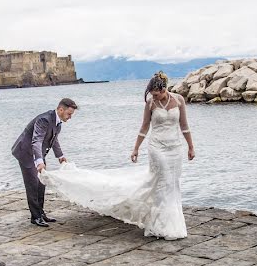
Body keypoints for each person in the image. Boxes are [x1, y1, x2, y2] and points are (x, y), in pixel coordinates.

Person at [39, 72, 194, 239]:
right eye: (152, 95)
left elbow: (184, 125)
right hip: (157, 147)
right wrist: (135, 149)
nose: (155, 97)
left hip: (174, 148)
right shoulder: (150, 103)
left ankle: (174, 223)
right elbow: (144, 127)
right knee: (163, 182)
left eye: (157, 94)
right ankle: (160, 225)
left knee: (172, 184)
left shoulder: (179, 100)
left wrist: (190, 147)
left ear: (164, 89)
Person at [12, 98, 77, 227]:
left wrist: (60, 156)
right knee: (33, 185)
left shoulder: (58, 122)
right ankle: (35, 217)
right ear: (60, 109)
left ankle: (41, 214)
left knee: (42, 183)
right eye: (69, 114)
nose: (70, 117)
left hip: (37, 153)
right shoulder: (44, 119)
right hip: (26, 153)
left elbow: (54, 139)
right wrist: (39, 161)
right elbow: (37, 140)